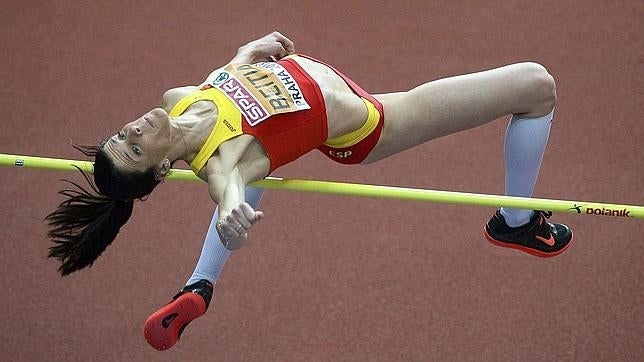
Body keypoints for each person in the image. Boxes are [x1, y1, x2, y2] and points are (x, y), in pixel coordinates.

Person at [46, 31, 573, 350]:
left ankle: (200, 287)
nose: (133, 131)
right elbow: (231, 191)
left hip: (341, 85)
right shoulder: (223, 162)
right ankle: (516, 222)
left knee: (259, 172)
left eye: (122, 136)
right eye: (134, 149)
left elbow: (226, 79)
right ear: (162, 170)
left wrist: (248, 51)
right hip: (374, 122)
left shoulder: (179, 98)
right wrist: (231, 215)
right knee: (536, 86)